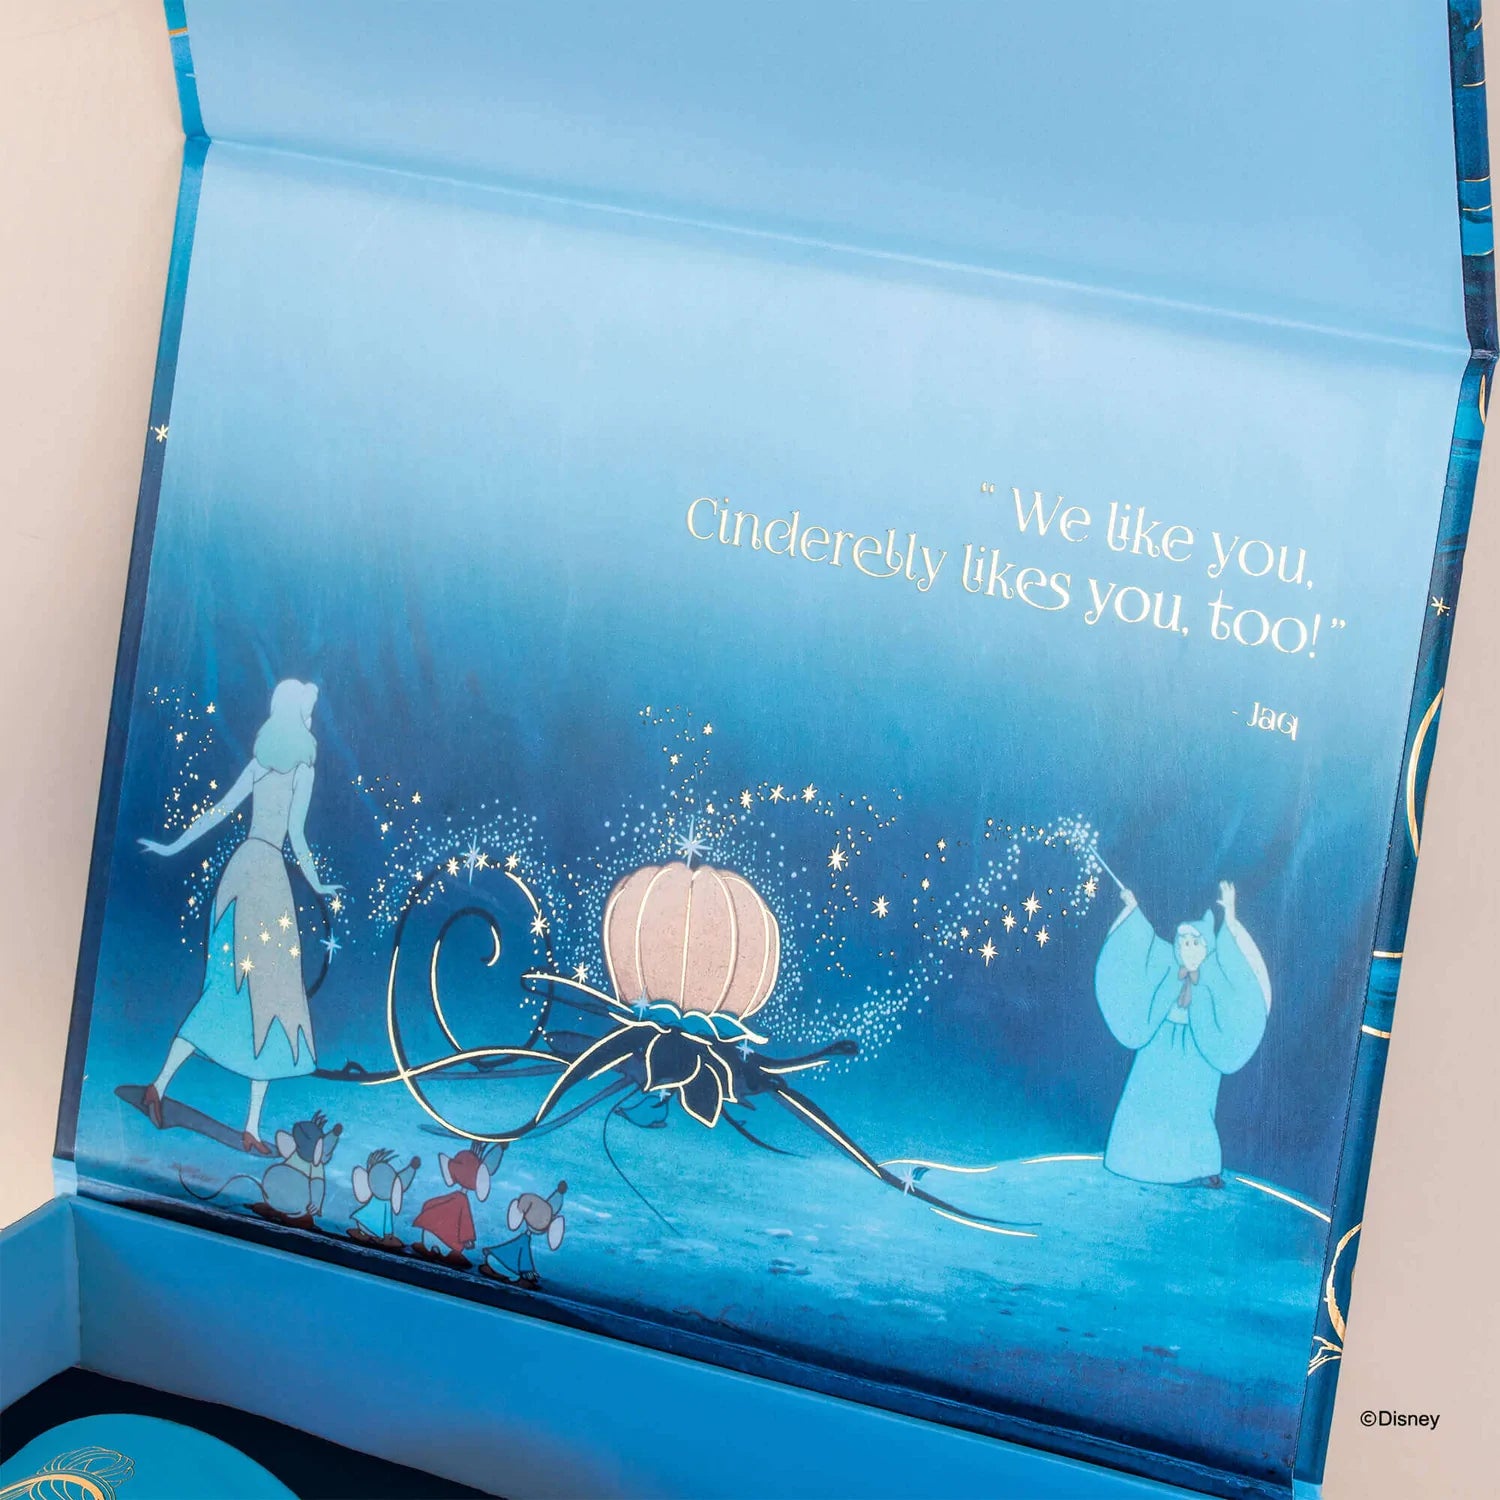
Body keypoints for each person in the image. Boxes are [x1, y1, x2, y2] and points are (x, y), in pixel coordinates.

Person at [138, 680, 340, 1153]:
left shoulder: (259, 765)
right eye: (308, 711)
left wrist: (172, 846)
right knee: (270, 1001)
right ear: (299, 716)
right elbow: (297, 837)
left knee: (229, 991)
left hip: (240, 872)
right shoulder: (302, 771)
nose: (311, 719)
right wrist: (317, 883)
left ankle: (160, 1085)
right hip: (267, 880)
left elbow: (220, 811)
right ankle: (249, 1126)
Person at [1094, 880, 1270, 1186]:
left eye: (1195, 942)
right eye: (1184, 943)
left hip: (1200, 1054)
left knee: (1193, 1110)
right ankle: (1133, 1161)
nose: (1188, 949)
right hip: (1158, 1050)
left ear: (1207, 945)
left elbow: (1240, 976)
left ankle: (1200, 1168)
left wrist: (1230, 915)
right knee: (1145, 1100)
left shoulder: (1215, 974)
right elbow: (1140, 947)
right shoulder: (1166, 964)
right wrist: (1132, 909)